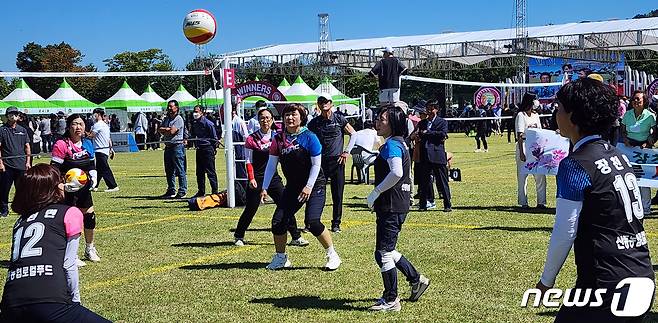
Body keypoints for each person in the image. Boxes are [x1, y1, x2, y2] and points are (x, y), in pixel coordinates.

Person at [535, 78, 655, 322]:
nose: (555, 114)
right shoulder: (619, 156)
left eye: (559, 108)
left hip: (607, 284)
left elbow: (565, 231)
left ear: (574, 116)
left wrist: (546, 282)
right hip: (641, 273)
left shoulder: (576, 165)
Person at [0, 164, 111, 322]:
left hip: (10, 304)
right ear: (52, 187)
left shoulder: (20, 221)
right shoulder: (69, 213)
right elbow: (68, 264)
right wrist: (75, 302)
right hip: (49, 300)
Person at [261, 103, 341, 270]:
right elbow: (271, 166)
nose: (290, 117)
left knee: (312, 222)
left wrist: (309, 186)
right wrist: (264, 187)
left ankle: (332, 255)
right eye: (287, 115)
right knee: (278, 222)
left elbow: (316, 165)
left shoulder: (310, 137)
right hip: (293, 186)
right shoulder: (278, 139)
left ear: (301, 117)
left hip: (315, 184)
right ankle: (281, 258)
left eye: (294, 114)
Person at [366, 105, 430, 312]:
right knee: (386, 250)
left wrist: (376, 192)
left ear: (393, 123)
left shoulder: (392, 144)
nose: (377, 121)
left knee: (383, 253)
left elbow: (396, 172)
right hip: (397, 203)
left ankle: (391, 299)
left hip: (392, 204)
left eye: (382, 119)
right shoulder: (399, 143)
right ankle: (416, 279)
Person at [234, 108, 309, 247]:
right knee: (251, 208)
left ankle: (296, 236)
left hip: (273, 178)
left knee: (285, 205)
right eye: (262, 118)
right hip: (256, 178)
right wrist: (251, 178)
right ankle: (239, 235)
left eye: (268, 118)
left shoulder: (278, 137)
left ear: (273, 120)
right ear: (258, 120)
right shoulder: (251, 139)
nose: (265, 120)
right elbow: (248, 161)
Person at [51, 114, 100, 265]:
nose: (78, 127)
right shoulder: (61, 144)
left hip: (84, 188)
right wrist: (61, 185)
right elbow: (54, 169)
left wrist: (93, 175)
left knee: (89, 217)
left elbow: (91, 164)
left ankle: (90, 248)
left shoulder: (88, 143)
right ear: (68, 126)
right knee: (70, 221)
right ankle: (71, 253)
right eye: (74, 124)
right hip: (67, 189)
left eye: (81, 124)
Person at [307, 95, 356, 233]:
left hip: (337, 162)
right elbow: (307, 137)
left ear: (331, 103)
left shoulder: (339, 119)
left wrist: (346, 152)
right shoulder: (314, 123)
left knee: (338, 195)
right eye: (321, 102)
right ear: (318, 104)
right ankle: (310, 222)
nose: (324, 104)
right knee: (315, 192)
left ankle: (336, 223)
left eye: (326, 101)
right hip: (320, 163)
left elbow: (354, 134)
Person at [621, 90, 655, 215]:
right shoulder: (627, 114)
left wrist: (649, 142)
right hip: (629, 148)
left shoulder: (650, 116)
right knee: (629, 177)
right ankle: (631, 205)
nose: (635, 101)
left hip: (644, 149)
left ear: (644, 101)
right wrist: (625, 139)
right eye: (634, 99)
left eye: (638, 99)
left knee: (644, 178)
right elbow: (623, 129)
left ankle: (646, 207)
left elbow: (655, 132)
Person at [418, 103, 452, 212]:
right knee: (424, 182)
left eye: (431, 109)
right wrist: (430, 134)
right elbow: (420, 134)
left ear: (436, 110)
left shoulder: (442, 122)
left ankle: (447, 204)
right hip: (425, 155)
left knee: (442, 181)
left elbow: (442, 135)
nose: (428, 111)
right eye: (427, 109)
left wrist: (428, 133)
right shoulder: (422, 123)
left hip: (437, 155)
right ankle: (423, 204)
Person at [515, 92, 547, 209]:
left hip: (536, 148)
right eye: (535, 99)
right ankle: (523, 202)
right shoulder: (521, 115)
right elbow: (520, 135)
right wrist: (522, 152)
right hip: (524, 146)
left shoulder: (536, 115)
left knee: (540, 176)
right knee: (523, 177)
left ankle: (541, 202)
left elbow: (540, 132)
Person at [0, 107, 31, 217]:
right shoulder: (2, 130)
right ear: (7, 116)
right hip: (7, 166)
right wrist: (1, 163)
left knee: (22, 189)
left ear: (18, 116)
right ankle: (4, 209)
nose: (13, 116)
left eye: (15, 114)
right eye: (10, 114)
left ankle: (22, 208)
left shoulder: (22, 130)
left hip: (21, 164)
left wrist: (28, 162)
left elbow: (27, 146)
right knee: (4, 189)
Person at [159, 100, 187, 199]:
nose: (169, 109)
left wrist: (166, 130)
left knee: (180, 170)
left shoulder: (178, 119)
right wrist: (166, 129)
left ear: (176, 108)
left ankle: (182, 191)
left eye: (171, 107)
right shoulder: (167, 119)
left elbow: (172, 131)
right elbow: (160, 129)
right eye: (168, 107)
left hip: (177, 147)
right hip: (168, 147)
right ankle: (171, 190)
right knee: (169, 170)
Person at [190, 105, 219, 197]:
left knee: (210, 171)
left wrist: (214, 149)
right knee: (199, 172)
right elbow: (193, 135)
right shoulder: (194, 123)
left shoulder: (208, 123)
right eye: (194, 111)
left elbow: (214, 138)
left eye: (197, 111)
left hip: (208, 149)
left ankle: (215, 191)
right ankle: (201, 191)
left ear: (202, 112)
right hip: (199, 149)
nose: (195, 113)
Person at [87, 108, 118, 192]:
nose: (93, 116)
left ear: (98, 114)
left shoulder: (97, 125)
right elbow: (108, 138)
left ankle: (113, 186)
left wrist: (83, 134)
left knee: (105, 168)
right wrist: (111, 149)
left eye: (94, 114)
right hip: (105, 149)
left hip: (99, 149)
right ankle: (95, 185)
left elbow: (91, 136)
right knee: (99, 169)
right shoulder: (105, 125)